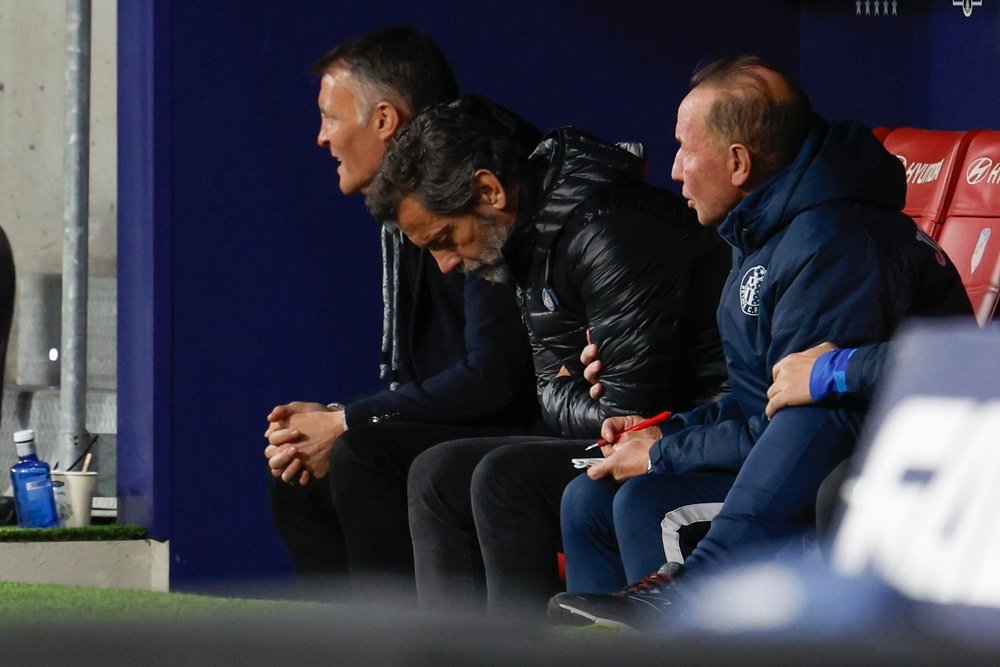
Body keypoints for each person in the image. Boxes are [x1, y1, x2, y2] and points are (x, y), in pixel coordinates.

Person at [550, 55, 972, 631]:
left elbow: (811, 421)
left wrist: (664, 454)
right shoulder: (762, 232)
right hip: (789, 450)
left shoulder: (835, 241)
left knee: (648, 500)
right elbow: (760, 398)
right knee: (588, 500)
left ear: (739, 163)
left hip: (878, 471)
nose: (673, 169)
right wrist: (666, 431)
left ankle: (687, 598)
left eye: (684, 149)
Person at [365, 96, 731, 614]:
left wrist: (567, 384)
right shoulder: (531, 241)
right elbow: (549, 388)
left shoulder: (607, 232)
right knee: (437, 472)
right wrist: (569, 383)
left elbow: (623, 420)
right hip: (652, 426)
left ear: (488, 191)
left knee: (503, 477)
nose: (445, 264)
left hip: (699, 432)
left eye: (445, 238)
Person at [263, 27, 541, 601]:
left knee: (361, 454)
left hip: (530, 425)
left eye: (329, 118)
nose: (320, 138)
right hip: (462, 417)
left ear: (385, 120)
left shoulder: (469, 186)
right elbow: (426, 377)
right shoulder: (401, 208)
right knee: (299, 471)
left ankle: (398, 647)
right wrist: (340, 418)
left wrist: (348, 422)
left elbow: (496, 377)